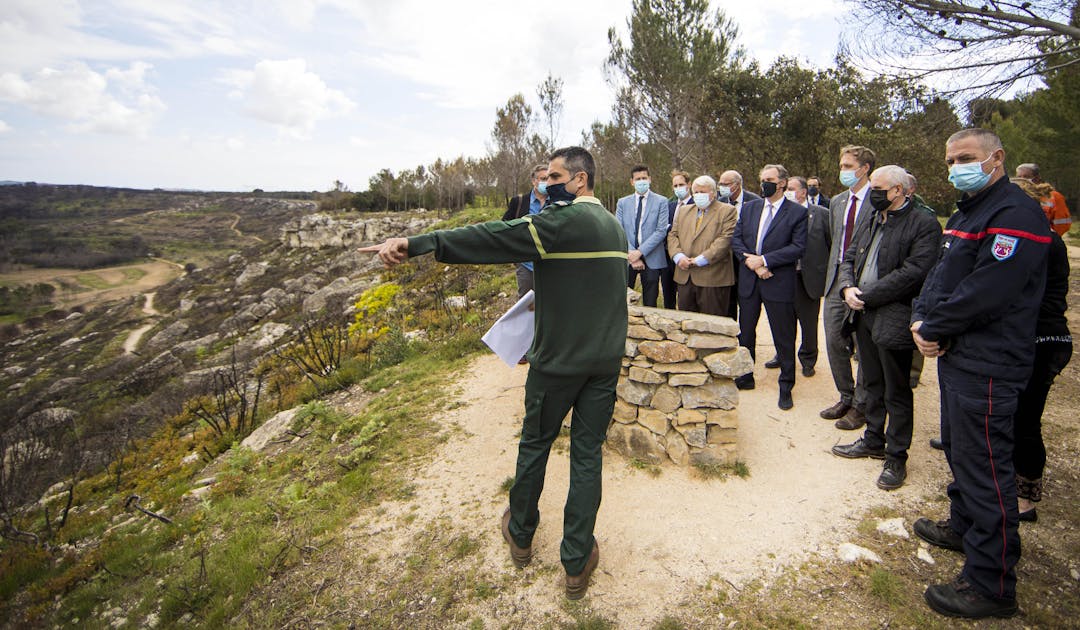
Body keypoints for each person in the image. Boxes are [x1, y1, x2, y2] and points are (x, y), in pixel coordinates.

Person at [360, 146, 627, 601]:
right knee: (587, 457)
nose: (546, 184)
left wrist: (418, 244)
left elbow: (491, 237)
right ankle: (577, 562)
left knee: (536, 444)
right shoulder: (614, 226)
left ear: (580, 180)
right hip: (603, 364)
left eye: (556, 176)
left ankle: (520, 534)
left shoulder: (560, 223)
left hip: (557, 364)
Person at [911, 128, 1050, 619]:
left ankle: (991, 582)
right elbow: (940, 275)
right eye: (949, 160)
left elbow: (989, 289)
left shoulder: (1015, 213)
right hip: (957, 356)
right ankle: (962, 525)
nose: (955, 167)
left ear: (997, 157)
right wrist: (920, 320)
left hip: (989, 363)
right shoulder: (969, 209)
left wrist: (935, 325)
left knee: (987, 468)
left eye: (965, 158)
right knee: (958, 449)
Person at [830, 165, 942, 490]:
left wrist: (867, 295)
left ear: (898, 191)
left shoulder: (923, 224)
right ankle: (873, 439)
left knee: (896, 389)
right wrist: (847, 287)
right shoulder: (872, 216)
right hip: (862, 312)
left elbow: (915, 272)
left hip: (892, 314)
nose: (873, 193)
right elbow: (849, 257)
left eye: (879, 188)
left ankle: (896, 457)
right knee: (872, 382)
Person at [1009, 176, 1072, 523]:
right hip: (1028, 337)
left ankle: (1024, 498)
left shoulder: (1043, 242)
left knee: (1026, 420)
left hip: (1041, 340)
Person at [730, 164, 807, 409]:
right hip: (750, 280)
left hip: (778, 281)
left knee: (783, 336)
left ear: (782, 183)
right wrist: (753, 263)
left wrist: (765, 260)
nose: (765, 184)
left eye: (770, 180)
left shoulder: (796, 212)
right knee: (746, 332)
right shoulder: (749, 208)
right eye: (762, 179)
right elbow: (737, 239)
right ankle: (745, 376)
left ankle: (786, 386)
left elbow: (798, 247)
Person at [820, 145, 876, 430]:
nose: (841, 171)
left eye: (846, 166)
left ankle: (862, 405)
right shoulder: (838, 202)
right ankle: (846, 395)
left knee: (864, 346)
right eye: (841, 166)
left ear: (864, 168)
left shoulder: (877, 201)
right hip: (835, 282)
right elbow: (835, 242)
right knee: (833, 341)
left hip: (865, 283)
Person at [764, 176, 830, 376]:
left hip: (807, 278)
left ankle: (808, 358)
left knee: (809, 323)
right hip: (783, 276)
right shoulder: (778, 213)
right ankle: (783, 354)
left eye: (792, 188)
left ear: (803, 192)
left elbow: (830, 244)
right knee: (782, 321)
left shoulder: (822, 214)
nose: (788, 192)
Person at [667, 175, 737, 316]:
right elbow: (673, 235)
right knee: (686, 323)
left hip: (712, 278)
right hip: (685, 276)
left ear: (713, 193)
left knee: (712, 326)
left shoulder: (727, 211)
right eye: (696, 192)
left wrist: (700, 260)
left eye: (703, 192)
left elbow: (725, 240)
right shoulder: (683, 211)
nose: (699, 195)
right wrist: (678, 256)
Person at [616, 165, 670, 307]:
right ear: (632, 182)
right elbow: (619, 230)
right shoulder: (622, 203)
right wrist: (632, 254)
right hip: (628, 257)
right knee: (623, 300)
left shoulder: (661, 201)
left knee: (651, 302)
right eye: (638, 179)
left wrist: (639, 252)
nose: (641, 181)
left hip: (652, 257)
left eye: (644, 178)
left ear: (650, 179)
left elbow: (661, 231)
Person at [718, 170, 761, 322]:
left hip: (746, 257)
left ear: (737, 185)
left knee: (746, 301)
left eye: (725, 184)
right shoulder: (720, 201)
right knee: (728, 299)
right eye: (720, 184)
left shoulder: (754, 201)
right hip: (725, 258)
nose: (722, 187)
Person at [662, 170, 692, 309]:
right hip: (668, 256)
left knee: (685, 296)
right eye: (675, 186)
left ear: (689, 185)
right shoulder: (670, 206)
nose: (678, 188)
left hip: (686, 257)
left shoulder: (695, 205)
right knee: (668, 294)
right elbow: (663, 229)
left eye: (681, 184)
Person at [1016, 162, 1072, 236]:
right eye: (1019, 176)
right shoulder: (1014, 195)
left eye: (1026, 176)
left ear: (1037, 178)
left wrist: (1049, 238)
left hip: (1044, 240)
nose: (1022, 180)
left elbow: (1062, 224)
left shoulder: (1054, 197)